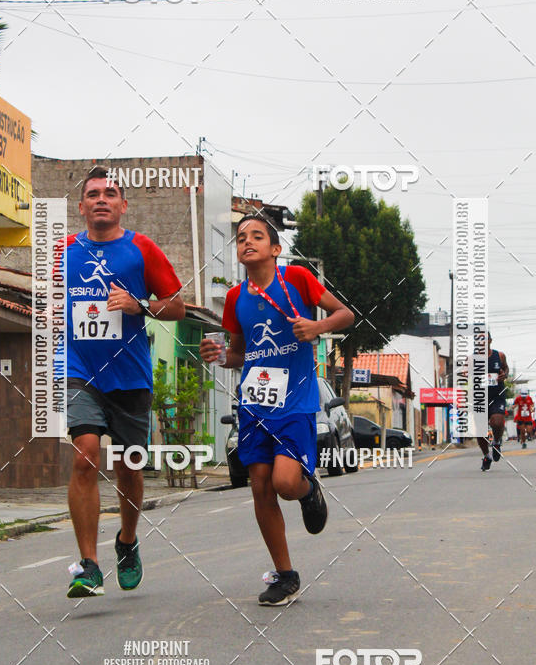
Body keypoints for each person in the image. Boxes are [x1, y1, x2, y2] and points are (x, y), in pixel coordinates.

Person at [200, 215, 353, 606]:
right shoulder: (235, 298)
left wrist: (316, 328)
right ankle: (285, 576)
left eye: (257, 236)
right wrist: (219, 356)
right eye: (241, 238)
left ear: (275, 248)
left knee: (285, 483)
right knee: (260, 485)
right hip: (255, 402)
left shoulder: (297, 279)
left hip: (296, 401)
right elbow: (239, 354)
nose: (247, 242)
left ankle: (308, 490)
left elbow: (346, 314)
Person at [61, 166, 185, 597]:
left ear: (123, 205)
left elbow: (177, 307)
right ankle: (89, 565)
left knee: (129, 467)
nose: (101, 199)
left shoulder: (141, 249)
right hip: (80, 371)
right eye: (93, 193)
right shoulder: (63, 251)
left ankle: (127, 541)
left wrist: (138, 305)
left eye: (110, 193)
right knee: (85, 456)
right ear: (81, 206)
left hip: (130, 375)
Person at [477, 332, 509, 471]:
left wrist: (504, 374)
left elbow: (505, 368)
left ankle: (496, 442)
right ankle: (487, 456)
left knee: (497, 422)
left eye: (484, 339)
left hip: (497, 395)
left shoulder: (499, 355)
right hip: (480, 397)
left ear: (490, 341)